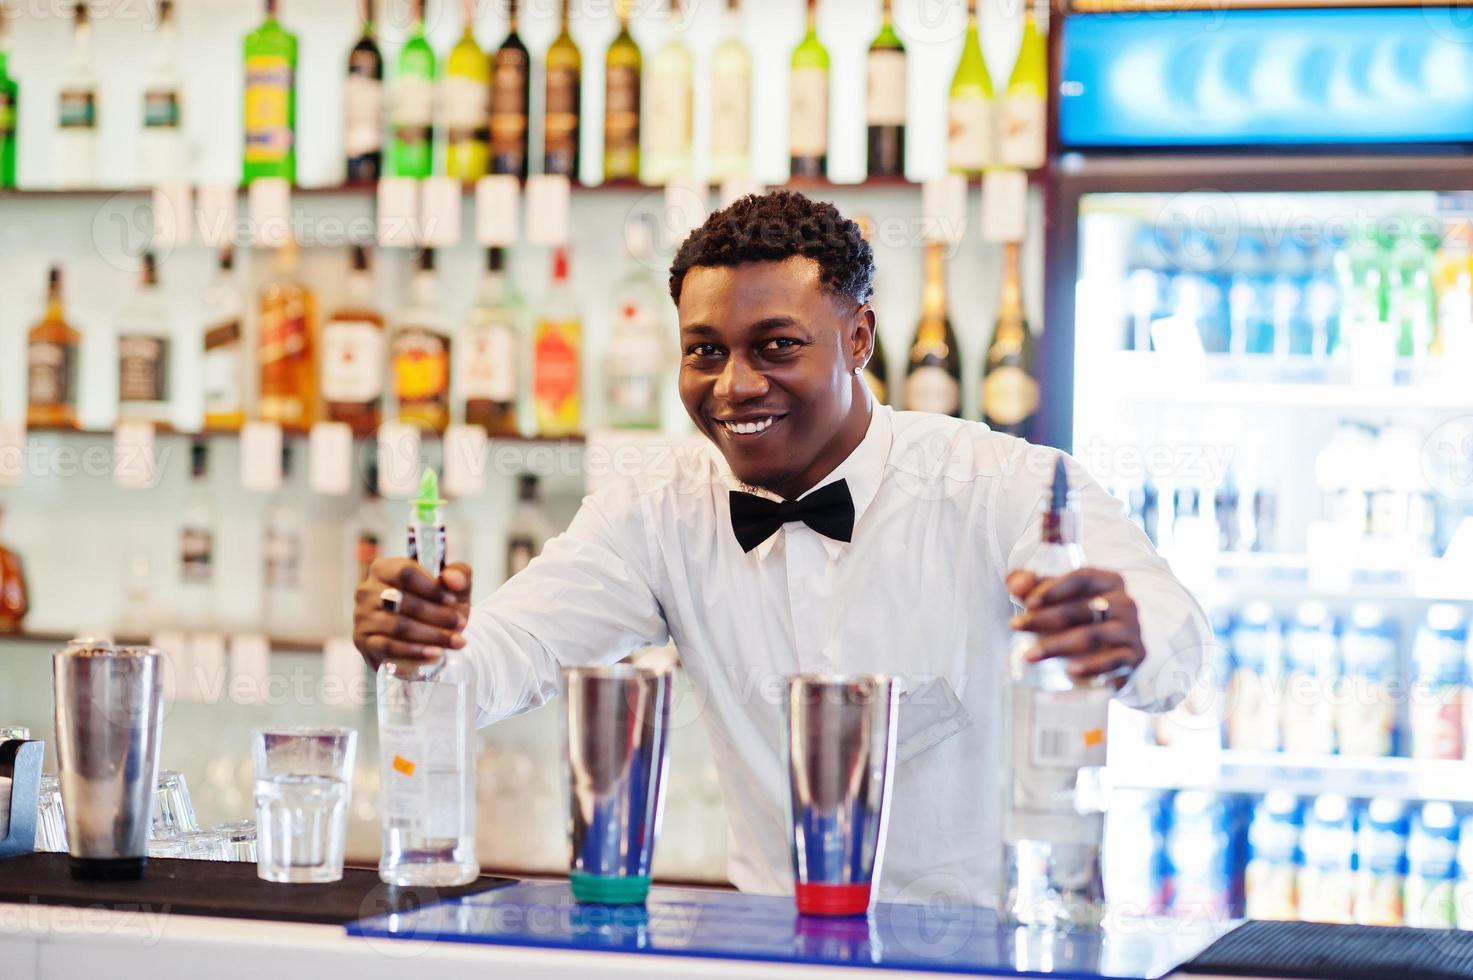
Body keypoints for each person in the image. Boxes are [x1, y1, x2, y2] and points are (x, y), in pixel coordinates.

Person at [353, 190, 1211, 906]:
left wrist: (1121, 637)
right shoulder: (657, 510)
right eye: (704, 352)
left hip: (988, 948)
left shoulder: (1005, 484)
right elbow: (517, 649)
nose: (734, 386)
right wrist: (424, 645)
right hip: (769, 945)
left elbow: (1176, 647)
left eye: (776, 346)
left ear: (859, 339)